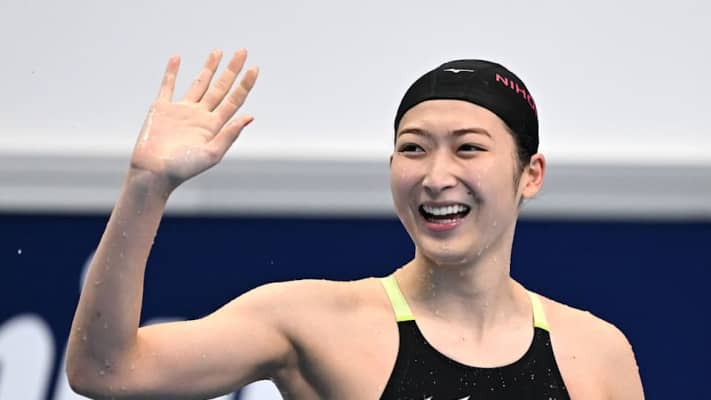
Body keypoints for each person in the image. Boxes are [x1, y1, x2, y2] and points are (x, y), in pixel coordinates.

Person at [66, 49, 644, 399]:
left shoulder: (595, 353)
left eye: (468, 148)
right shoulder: (312, 323)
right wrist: (146, 186)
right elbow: (105, 370)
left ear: (530, 174)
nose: (436, 176)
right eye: (413, 149)